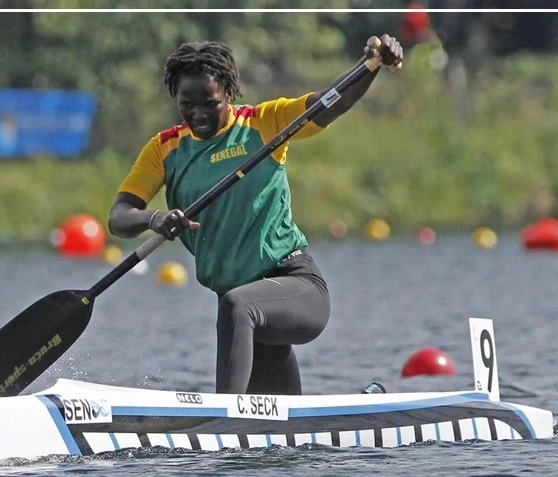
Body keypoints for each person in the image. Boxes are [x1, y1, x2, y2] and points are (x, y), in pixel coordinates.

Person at [107, 36, 403, 396]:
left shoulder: (263, 123)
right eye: (187, 105)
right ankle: (363, 404)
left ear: (229, 93)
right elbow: (120, 216)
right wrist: (154, 219)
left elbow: (330, 102)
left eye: (209, 103)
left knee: (237, 305)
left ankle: (223, 420)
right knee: (279, 431)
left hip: (295, 286)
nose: (198, 114)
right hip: (246, 314)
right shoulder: (164, 149)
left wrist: (371, 64)